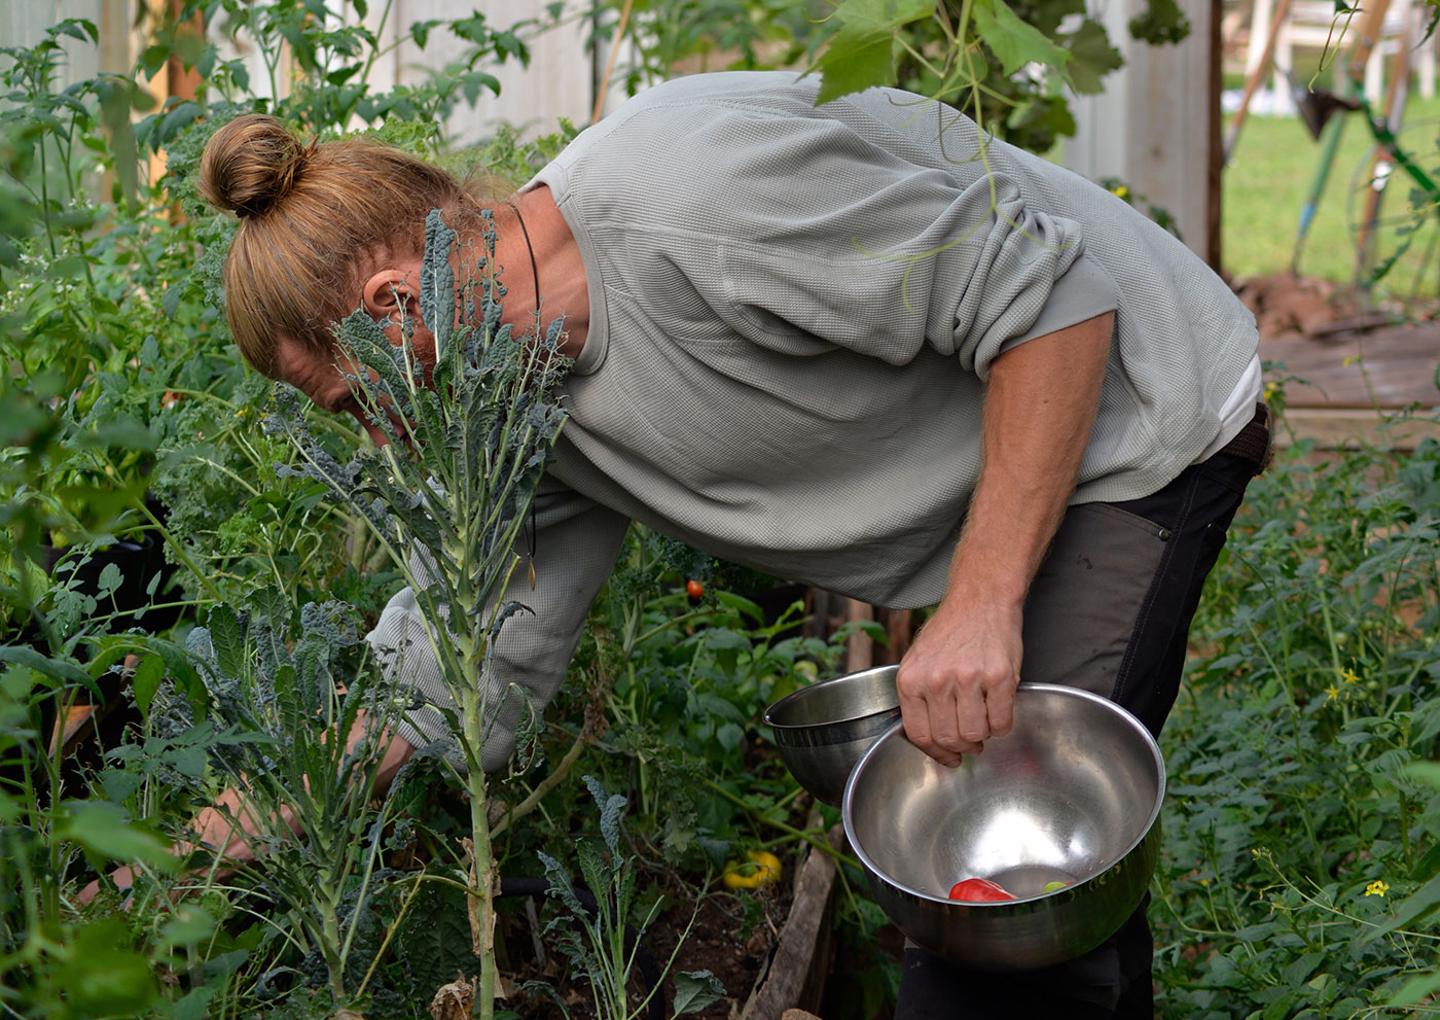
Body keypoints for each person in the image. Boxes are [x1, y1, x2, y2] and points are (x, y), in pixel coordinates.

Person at [195, 70, 1268, 1018]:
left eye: (355, 406)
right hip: (1004, 445)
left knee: (986, 863)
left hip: (1128, 409)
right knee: (1056, 881)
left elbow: (1054, 308)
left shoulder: (698, 196)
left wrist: (983, 602)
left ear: (393, 308)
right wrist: (263, 809)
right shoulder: (508, 400)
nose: (380, 439)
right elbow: (456, 658)